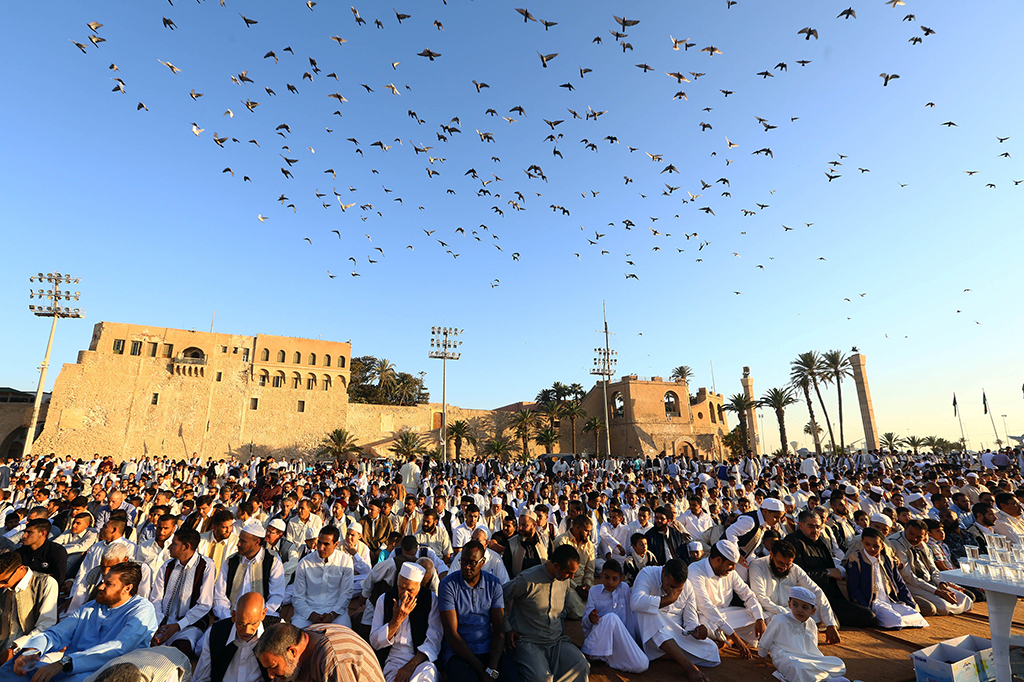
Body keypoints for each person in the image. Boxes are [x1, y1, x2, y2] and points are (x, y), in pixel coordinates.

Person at [0, 563, 157, 682]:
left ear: (127, 588)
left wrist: (64, 663)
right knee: (15, 666)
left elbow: (119, 647)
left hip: (105, 672)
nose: (100, 587)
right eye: (102, 581)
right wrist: (32, 651)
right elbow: (57, 633)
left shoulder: (142, 610)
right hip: (68, 667)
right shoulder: (92, 606)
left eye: (108, 584)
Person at [502, 544, 589, 682]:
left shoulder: (564, 581)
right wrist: (507, 628)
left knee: (581, 665)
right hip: (528, 641)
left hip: (556, 642)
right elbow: (499, 598)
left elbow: (562, 612)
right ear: (556, 566)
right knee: (542, 678)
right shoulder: (527, 579)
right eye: (569, 572)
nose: (572, 577)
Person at [437, 541, 519, 682]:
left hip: (488, 649)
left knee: (513, 678)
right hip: (459, 653)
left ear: (483, 562)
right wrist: (482, 671)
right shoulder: (448, 585)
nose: (466, 567)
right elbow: (451, 634)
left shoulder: (493, 584)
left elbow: (499, 630)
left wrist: (492, 669)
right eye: (463, 561)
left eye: (472, 563)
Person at [630, 558, 717, 681]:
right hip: (649, 631)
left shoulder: (687, 586)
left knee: (712, 649)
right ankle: (688, 666)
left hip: (674, 634)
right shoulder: (647, 574)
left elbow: (690, 621)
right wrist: (670, 599)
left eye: (678, 589)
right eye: (671, 586)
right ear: (664, 571)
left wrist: (696, 631)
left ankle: (665, 654)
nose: (674, 591)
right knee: (648, 611)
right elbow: (635, 602)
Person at [786, 510, 876, 628]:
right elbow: (798, 574)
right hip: (812, 597)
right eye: (811, 526)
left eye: (818, 527)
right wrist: (827, 573)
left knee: (869, 612)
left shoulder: (819, 540)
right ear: (801, 525)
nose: (815, 530)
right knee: (868, 616)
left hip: (831, 593)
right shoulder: (793, 541)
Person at [748, 540, 840, 641]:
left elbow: (817, 592)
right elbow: (760, 597)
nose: (784, 568)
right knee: (774, 621)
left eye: (788, 564)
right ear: (771, 554)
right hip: (769, 611)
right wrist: (788, 614)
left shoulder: (794, 569)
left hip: (793, 611)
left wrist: (830, 624)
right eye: (780, 563)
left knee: (816, 609)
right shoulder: (757, 566)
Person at [687, 540, 766, 655]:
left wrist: (759, 619)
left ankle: (726, 641)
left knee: (760, 617)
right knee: (707, 628)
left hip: (727, 614)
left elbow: (748, 595)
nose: (733, 568)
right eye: (731, 564)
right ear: (718, 560)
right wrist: (734, 635)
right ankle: (731, 639)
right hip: (705, 616)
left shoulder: (731, 572)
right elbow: (705, 605)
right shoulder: (695, 570)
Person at [757, 586, 847, 682]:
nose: (799, 610)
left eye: (804, 607)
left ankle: (819, 676)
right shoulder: (780, 619)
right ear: (789, 604)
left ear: (813, 611)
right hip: (787, 657)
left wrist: (814, 659)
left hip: (810, 658)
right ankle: (826, 678)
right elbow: (766, 638)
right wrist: (762, 655)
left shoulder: (811, 623)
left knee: (839, 664)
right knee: (798, 667)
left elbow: (813, 646)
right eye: (795, 605)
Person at [369, 561, 441, 682]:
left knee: (426, 676)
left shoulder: (431, 600)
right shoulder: (384, 600)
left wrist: (410, 667)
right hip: (392, 661)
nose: (404, 594)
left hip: (420, 661)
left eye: (410, 590)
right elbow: (375, 642)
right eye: (401, 588)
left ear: (419, 587)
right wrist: (396, 621)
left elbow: (434, 641)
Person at [150, 528, 216, 658]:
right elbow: (156, 600)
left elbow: (204, 604)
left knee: (180, 652)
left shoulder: (206, 565)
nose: (169, 547)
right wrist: (156, 627)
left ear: (186, 547)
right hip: (163, 623)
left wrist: (178, 626)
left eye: (174, 543)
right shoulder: (166, 566)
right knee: (149, 648)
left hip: (190, 626)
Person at [844, 528, 927, 629]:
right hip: (873, 603)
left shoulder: (888, 560)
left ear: (882, 546)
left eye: (876, 546)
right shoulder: (855, 558)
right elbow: (853, 587)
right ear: (862, 542)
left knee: (917, 617)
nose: (871, 549)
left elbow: (900, 583)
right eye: (867, 544)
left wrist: (911, 603)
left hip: (891, 600)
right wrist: (864, 607)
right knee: (896, 621)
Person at [888, 520, 972, 617]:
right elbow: (909, 577)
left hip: (930, 582)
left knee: (966, 600)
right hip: (912, 585)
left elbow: (933, 569)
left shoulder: (922, 544)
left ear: (925, 535)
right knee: (943, 607)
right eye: (911, 534)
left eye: (919, 536)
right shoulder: (896, 543)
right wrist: (937, 591)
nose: (914, 538)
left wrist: (942, 585)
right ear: (905, 528)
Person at [256, 621, 386, 682]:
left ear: (293, 652)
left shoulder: (335, 660)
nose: (270, 675)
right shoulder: (300, 638)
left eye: (273, 667)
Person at [212, 519, 286, 621]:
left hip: (262, 618)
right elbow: (219, 596)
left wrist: (258, 618)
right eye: (239, 540)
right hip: (231, 617)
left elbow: (276, 596)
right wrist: (228, 617)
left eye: (243, 541)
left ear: (257, 542)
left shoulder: (273, 560)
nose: (238, 544)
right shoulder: (231, 561)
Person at [582, 560, 647, 673]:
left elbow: (629, 618)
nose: (610, 582)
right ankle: (592, 654)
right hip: (598, 639)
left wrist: (632, 642)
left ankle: (606, 658)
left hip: (618, 640)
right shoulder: (594, 591)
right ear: (601, 576)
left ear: (621, 579)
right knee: (611, 618)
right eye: (606, 577)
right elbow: (585, 624)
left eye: (614, 579)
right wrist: (590, 619)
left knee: (642, 664)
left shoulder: (624, 588)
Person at [195, 592, 267, 682]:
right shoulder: (216, 633)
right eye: (241, 624)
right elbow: (202, 677)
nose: (247, 631)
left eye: (253, 623)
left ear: (263, 614)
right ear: (234, 616)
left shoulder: (276, 632)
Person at [0, 551, 58, 663]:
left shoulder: (46, 583)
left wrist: (14, 649)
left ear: (21, 569)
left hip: (27, 653)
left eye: (4, 581)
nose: (1, 585)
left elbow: (46, 626)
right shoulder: (3, 587)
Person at [292, 526, 355, 628]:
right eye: (319, 542)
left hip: (337, 612)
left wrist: (332, 615)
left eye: (326, 544)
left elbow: (346, 594)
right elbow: (298, 598)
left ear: (336, 544)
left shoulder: (345, 561)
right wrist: (312, 615)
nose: (321, 548)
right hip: (307, 612)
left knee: (344, 633)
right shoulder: (304, 563)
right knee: (294, 634)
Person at [553, 516, 595, 620]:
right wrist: (576, 588)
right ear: (577, 528)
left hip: (582, 584)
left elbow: (590, 570)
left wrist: (587, 585)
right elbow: (560, 572)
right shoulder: (562, 542)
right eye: (586, 531)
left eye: (590, 531)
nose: (589, 534)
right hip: (567, 584)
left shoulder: (589, 545)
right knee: (576, 609)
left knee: (598, 599)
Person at [18, 518, 68, 588]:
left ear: (42, 533)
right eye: (25, 532)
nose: (24, 536)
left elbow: (58, 581)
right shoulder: (21, 552)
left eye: (29, 532)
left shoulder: (57, 552)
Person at [503, 512, 546, 579]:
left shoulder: (545, 540)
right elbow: (506, 570)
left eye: (524, 525)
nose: (520, 528)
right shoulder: (512, 543)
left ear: (534, 525)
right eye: (519, 524)